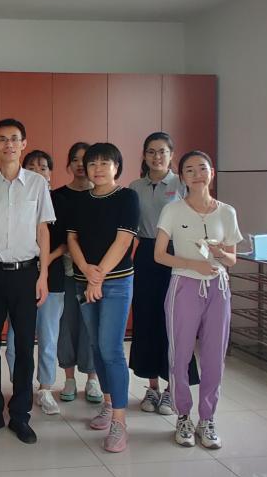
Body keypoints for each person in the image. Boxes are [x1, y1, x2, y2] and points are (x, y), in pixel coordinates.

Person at [0, 118, 55, 445]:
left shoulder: (37, 184)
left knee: (24, 348)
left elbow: (43, 231)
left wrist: (43, 275)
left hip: (26, 274)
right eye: (2, 139)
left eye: (14, 139)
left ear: (23, 143)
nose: (8, 144)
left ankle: (20, 415)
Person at [154, 151, 240, 450]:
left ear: (211, 172)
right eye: (189, 170)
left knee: (215, 355)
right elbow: (159, 255)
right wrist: (193, 265)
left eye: (202, 168)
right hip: (185, 285)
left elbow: (232, 259)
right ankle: (183, 416)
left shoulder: (226, 212)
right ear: (182, 177)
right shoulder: (173, 210)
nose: (197, 174)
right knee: (180, 354)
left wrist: (219, 254)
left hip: (219, 288)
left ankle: (207, 418)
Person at [65, 143, 139, 453]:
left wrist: (99, 277)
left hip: (116, 282)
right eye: (91, 163)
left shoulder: (127, 197)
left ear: (116, 167)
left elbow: (124, 241)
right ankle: (108, 404)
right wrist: (86, 270)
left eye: (104, 163)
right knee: (96, 345)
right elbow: (72, 238)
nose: (97, 168)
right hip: (85, 282)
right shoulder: (81, 200)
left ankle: (120, 421)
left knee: (111, 348)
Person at [128, 132, 200, 415]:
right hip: (146, 255)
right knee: (147, 320)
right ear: (144, 156)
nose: (156, 157)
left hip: (176, 255)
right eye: (151, 152)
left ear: (171, 155)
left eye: (162, 151)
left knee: (174, 321)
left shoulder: (182, 184)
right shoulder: (135, 187)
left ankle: (172, 389)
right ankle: (152, 387)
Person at [5, 149, 65, 415]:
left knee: (48, 337)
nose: (38, 171)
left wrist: (45, 259)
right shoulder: (16, 198)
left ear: (50, 173)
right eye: (32, 166)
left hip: (52, 277)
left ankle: (46, 388)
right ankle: (22, 387)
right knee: (15, 340)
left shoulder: (59, 200)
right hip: (20, 276)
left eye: (43, 167)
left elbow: (67, 240)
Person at [53, 143, 101, 404]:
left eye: (86, 160)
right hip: (65, 271)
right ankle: (69, 378)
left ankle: (92, 378)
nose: (81, 165)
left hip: (95, 274)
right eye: (75, 160)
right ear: (68, 164)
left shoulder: (102, 195)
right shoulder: (57, 196)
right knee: (66, 324)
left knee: (92, 325)